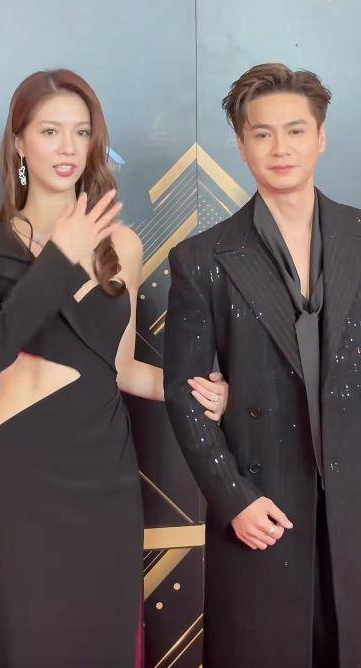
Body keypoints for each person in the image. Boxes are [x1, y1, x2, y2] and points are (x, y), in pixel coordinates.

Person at [0, 68, 227, 668]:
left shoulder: (123, 246)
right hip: (22, 475)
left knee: (97, 640)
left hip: (105, 475)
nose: (68, 147)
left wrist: (193, 390)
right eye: (50, 131)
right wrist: (60, 258)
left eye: (80, 131)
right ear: (19, 143)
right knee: (25, 638)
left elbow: (119, 368)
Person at [164, 63, 361, 668]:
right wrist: (235, 499)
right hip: (263, 508)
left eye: (296, 131)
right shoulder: (202, 257)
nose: (281, 148)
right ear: (241, 143)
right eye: (262, 134)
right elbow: (184, 394)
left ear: (321, 137)